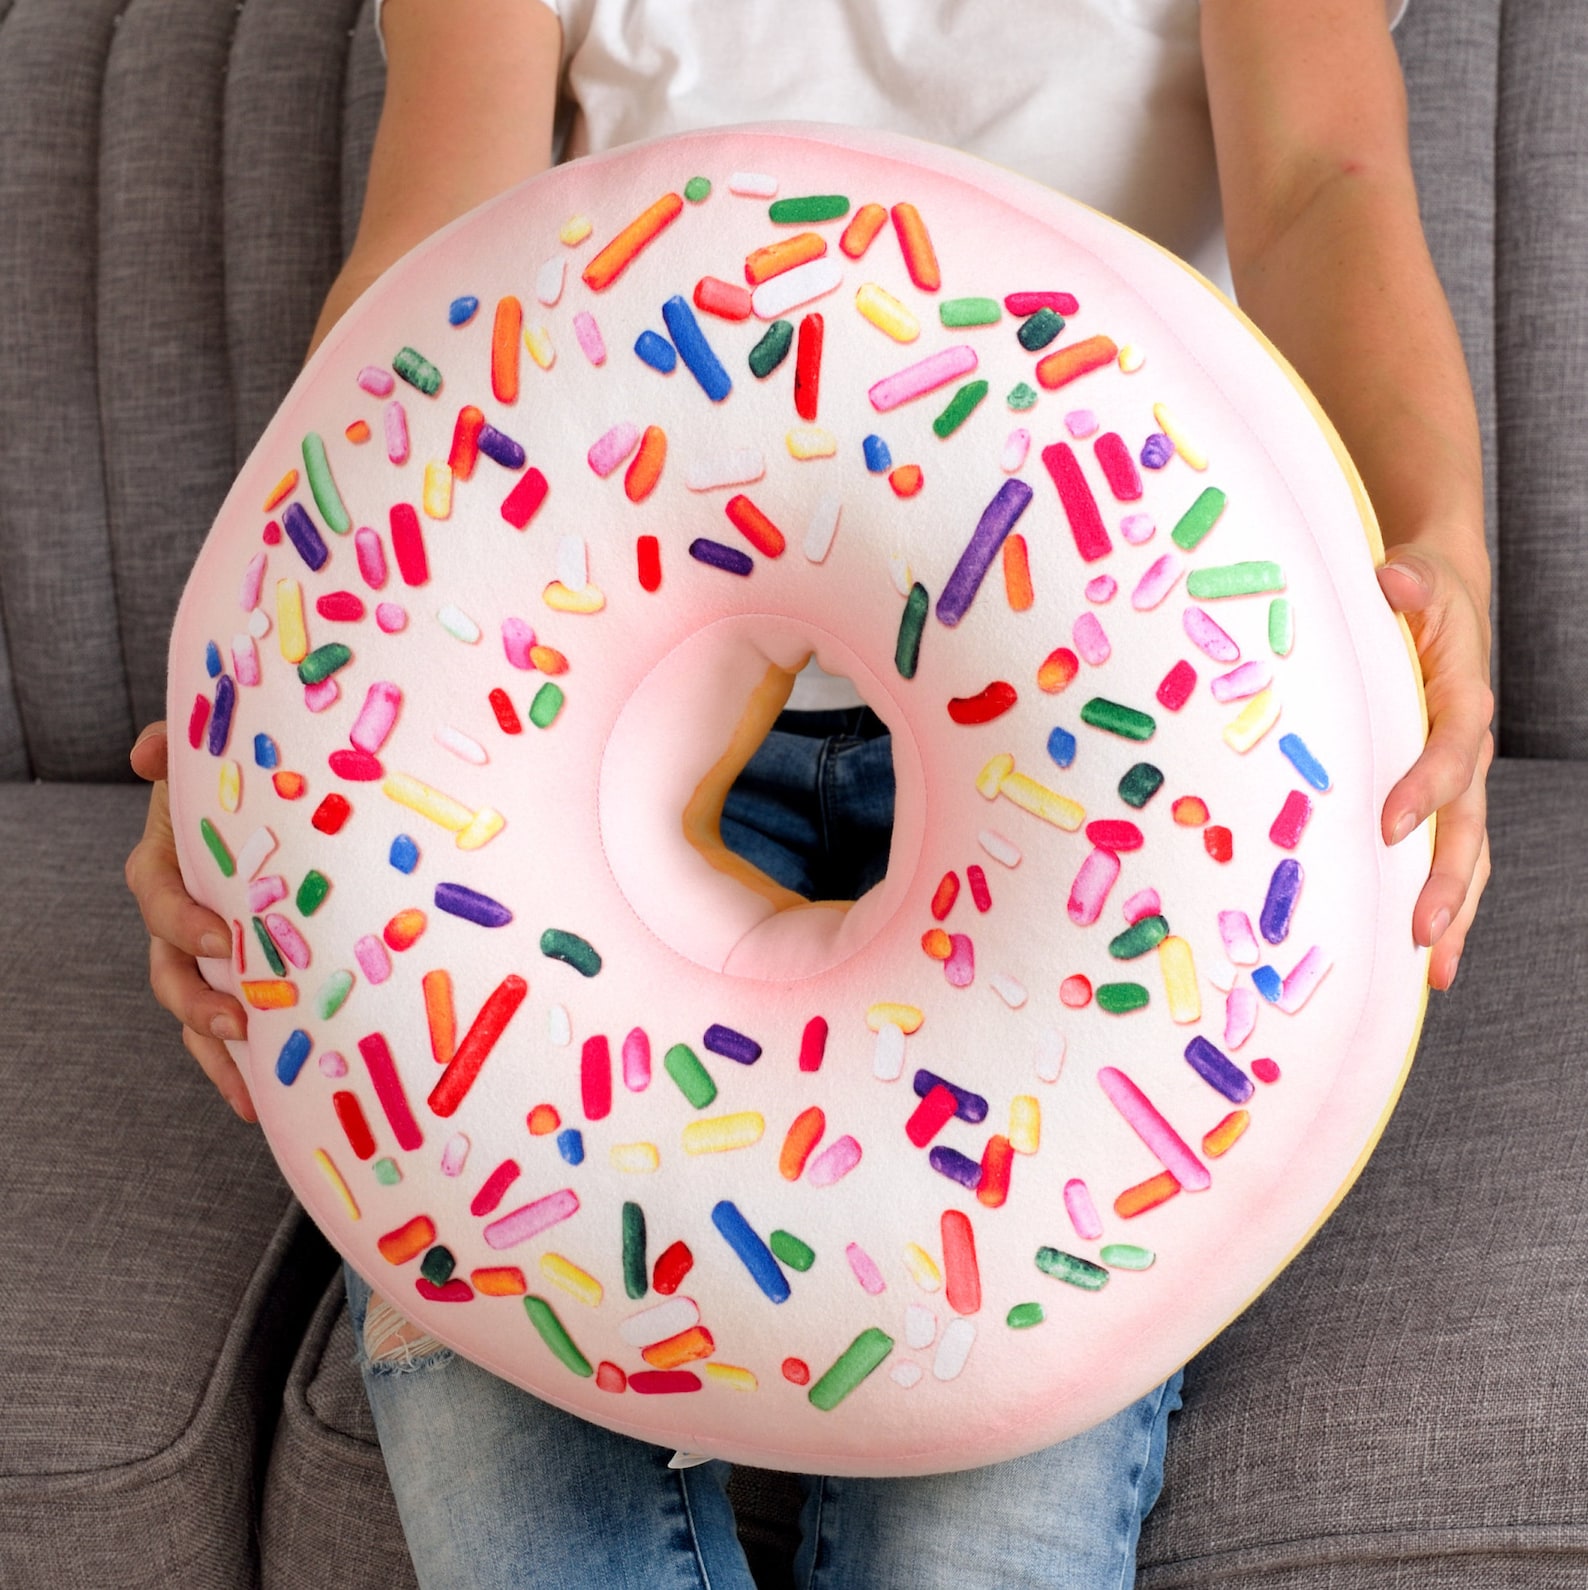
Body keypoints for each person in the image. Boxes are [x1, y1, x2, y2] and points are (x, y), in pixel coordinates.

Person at [124, 1, 1494, 1583]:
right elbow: (429, 258)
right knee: (525, 1511)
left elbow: (1326, 178)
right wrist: (258, 721)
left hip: (1108, 807)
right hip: (556, 780)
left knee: (983, 1535)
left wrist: (1437, 551)